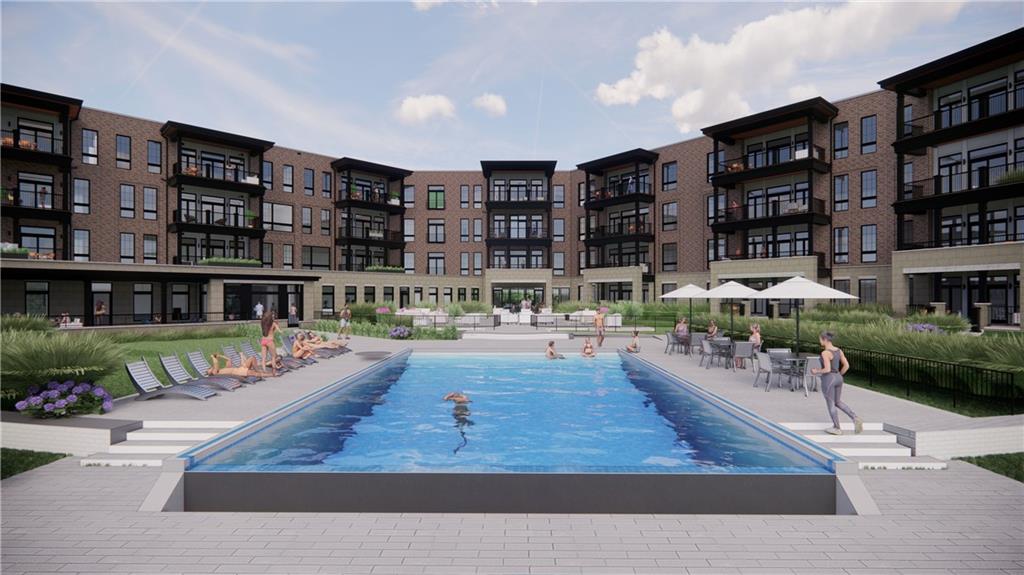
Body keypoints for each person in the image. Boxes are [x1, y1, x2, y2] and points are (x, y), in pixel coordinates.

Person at [811, 331, 863, 436]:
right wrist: (839, 375)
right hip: (838, 378)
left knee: (831, 403)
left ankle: (837, 428)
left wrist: (816, 371)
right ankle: (855, 418)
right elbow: (846, 366)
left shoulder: (825, 353)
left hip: (828, 379)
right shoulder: (839, 351)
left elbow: (827, 369)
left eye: (820, 339)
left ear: (825, 340)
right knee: (837, 402)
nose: (819, 341)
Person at [260, 311, 281, 377]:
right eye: (272, 315)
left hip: (263, 340)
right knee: (273, 357)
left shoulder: (263, 323)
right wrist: (277, 325)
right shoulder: (273, 324)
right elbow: (280, 331)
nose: (273, 316)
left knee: (263, 358)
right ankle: (274, 373)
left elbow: (267, 331)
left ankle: (264, 372)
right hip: (270, 341)